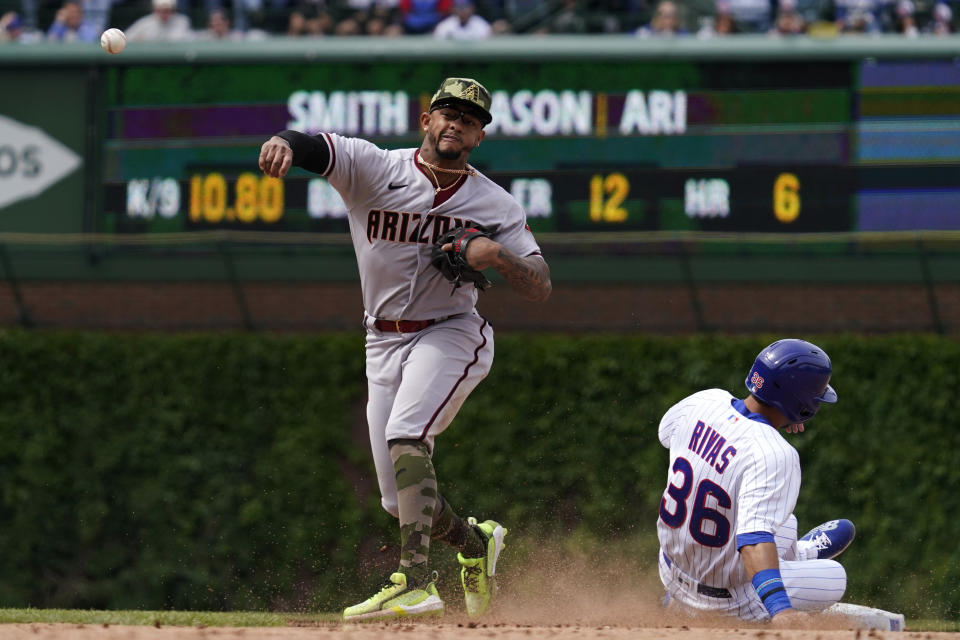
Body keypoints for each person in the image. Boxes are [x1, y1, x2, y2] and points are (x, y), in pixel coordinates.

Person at [258, 77, 552, 621]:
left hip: (451, 330)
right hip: (381, 338)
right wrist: (283, 141)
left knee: (406, 434)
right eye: (448, 113)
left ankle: (413, 584)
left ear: (479, 137)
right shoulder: (375, 168)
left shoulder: (494, 202)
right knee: (401, 500)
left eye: (470, 119)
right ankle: (473, 543)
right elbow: (313, 146)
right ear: (426, 120)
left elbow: (540, 283)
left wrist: (498, 258)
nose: (456, 123)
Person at [656, 339, 854, 624]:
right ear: (802, 405)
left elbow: (667, 435)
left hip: (670, 567)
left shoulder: (704, 400)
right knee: (835, 577)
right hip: (726, 601)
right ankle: (799, 559)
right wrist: (781, 611)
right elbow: (753, 540)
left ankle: (801, 552)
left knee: (786, 522)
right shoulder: (775, 453)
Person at [125, 0, 192, 42]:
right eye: (160, 10)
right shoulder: (144, 23)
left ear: (173, 10)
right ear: (155, 10)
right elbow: (126, 38)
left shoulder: (183, 22)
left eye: (167, 10)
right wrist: (136, 41)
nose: (164, 14)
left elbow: (193, 39)